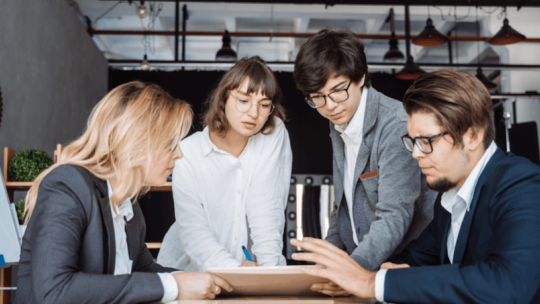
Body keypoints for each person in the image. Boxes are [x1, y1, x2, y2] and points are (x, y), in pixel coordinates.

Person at [291, 69, 540, 303]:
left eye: (425, 141)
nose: (416, 154)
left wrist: (373, 283)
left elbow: (509, 283)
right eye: (412, 141)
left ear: (472, 135)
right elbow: (413, 259)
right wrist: (377, 273)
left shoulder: (522, 186)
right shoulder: (448, 201)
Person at [15, 82, 232, 304]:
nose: (179, 154)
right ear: (137, 141)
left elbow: (144, 268)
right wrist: (174, 286)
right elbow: (55, 291)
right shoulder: (68, 185)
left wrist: (209, 281)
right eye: (171, 144)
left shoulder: (129, 207)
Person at [293, 28, 436, 278]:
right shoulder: (338, 119)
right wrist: (324, 266)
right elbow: (343, 208)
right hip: (363, 262)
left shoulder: (395, 125)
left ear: (360, 77)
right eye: (317, 97)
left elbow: (395, 215)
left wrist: (349, 272)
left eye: (338, 90)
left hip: (404, 264)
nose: (330, 106)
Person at [157, 56, 292, 272]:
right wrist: (235, 271)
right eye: (243, 100)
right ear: (224, 99)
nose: (254, 113)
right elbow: (194, 232)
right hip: (189, 271)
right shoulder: (188, 152)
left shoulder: (272, 133)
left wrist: (271, 278)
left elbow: (267, 211)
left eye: (264, 104)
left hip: (249, 273)